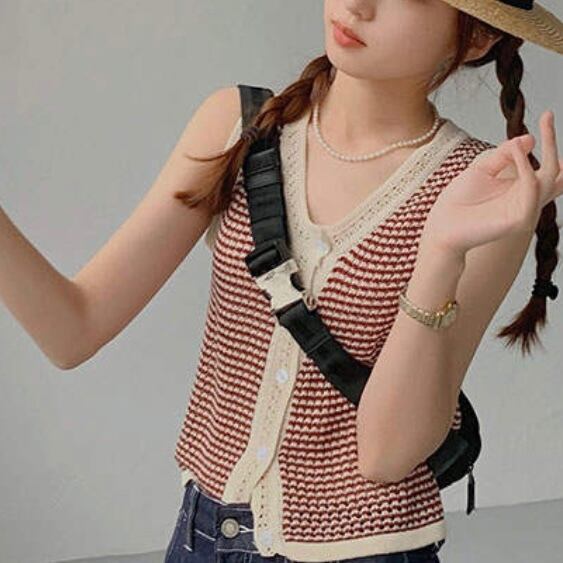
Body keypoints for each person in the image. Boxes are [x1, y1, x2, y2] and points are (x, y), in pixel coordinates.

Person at [1, 1, 562, 562]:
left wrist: (440, 251)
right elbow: (73, 330)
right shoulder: (238, 126)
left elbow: (387, 456)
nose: (357, 4)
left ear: (478, 37)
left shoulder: (484, 193)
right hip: (203, 539)